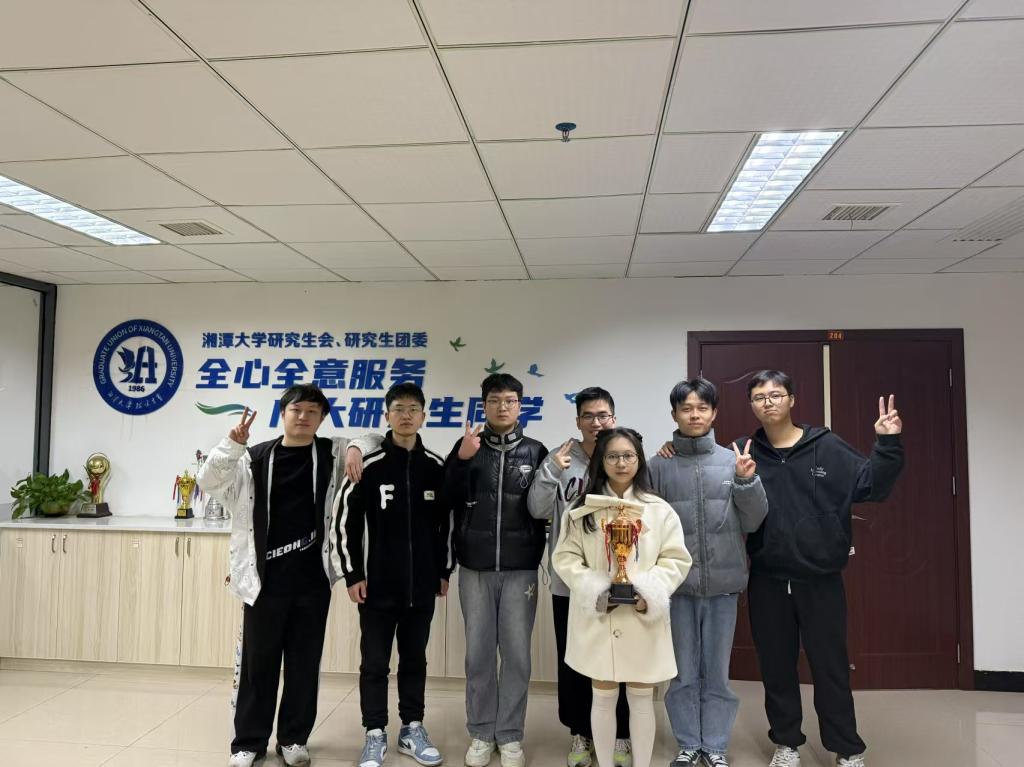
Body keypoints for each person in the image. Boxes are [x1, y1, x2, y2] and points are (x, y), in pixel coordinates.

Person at [196, 383, 376, 767]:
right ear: (283, 414)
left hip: (312, 580)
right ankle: (248, 743)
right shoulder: (255, 457)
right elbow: (209, 482)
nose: (303, 416)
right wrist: (231, 445)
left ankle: (294, 739)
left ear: (322, 418)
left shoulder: (331, 453)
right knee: (257, 666)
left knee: (303, 664)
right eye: (296, 410)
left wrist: (356, 448)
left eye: (312, 411)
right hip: (264, 581)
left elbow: (375, 439)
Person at [741, 370, 903, 767]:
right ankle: (786, 744)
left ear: (792, 400)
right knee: (776, 668)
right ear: (752, 405)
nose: (768, 402)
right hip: (767, 580)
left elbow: (871, 486)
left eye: (776, 394)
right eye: (759, 397)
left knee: (830, 669)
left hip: (820, 580)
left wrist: (887, 443)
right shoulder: (746, 453)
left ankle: (847, 748)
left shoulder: (825, 446)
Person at [552, 427, 692, 767]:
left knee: (641, 700)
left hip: (643, 618)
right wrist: (594, 588)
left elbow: (675, 560)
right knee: (602, 698)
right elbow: (565, 558)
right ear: (601, 461)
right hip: (598, 617)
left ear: (639, 460)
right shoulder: (582, 509)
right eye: (612, 456)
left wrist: (649, 592)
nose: (621, 463)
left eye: (628, 455)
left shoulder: (658, 510)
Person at [648, 378, 768, 767]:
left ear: (714, 413)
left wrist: (747, 481)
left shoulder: (733, 461)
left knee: (716, 674)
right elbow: (646, 528)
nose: (695, 415)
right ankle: (688, 744)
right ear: (674, 415)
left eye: (702, 408)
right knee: (683, 674)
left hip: (723, 585)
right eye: (686, 408)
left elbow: (754, 521)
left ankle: (715, 745)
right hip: (676, 587)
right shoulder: (658, 465)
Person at [334, 383, 453, 767]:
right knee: (374, 663)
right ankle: (374, 733)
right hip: (376, 587)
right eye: (398, 408)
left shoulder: (435, 466)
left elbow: (447, 524)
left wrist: (444, 569)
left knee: (414, 661)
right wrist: (353, 573)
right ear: (387, 415)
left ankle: (412, 728)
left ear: (423, 416)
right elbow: (344, 521)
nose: (406, 415)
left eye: (413, 409)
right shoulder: (367, 465)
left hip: (421, 587)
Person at [444, 373, 548, 767]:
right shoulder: (467, 447)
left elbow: (543, 508)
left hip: (521, 569)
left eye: (509, 400)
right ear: (484, 405)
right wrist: (461, 459)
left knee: (518, 656)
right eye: (494, 400)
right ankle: (481, 732)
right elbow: (446, 498)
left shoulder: (536, 451)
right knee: (479, 655)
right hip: (475, 567)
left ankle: (510, 735)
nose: (502, 407)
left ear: (520, 406)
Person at [527, 387, 633, 767]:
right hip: (569, 583)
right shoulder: (561, 458)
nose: (596, 423)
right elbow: (537, 509)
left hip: (617, 582)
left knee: (618, 660)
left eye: (603, 415)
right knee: (573, 660)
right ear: (578, 421)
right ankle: (580, 733)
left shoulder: (623, 455)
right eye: (588, 416)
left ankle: (621, 734)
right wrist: (552, 471)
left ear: (613, 418)